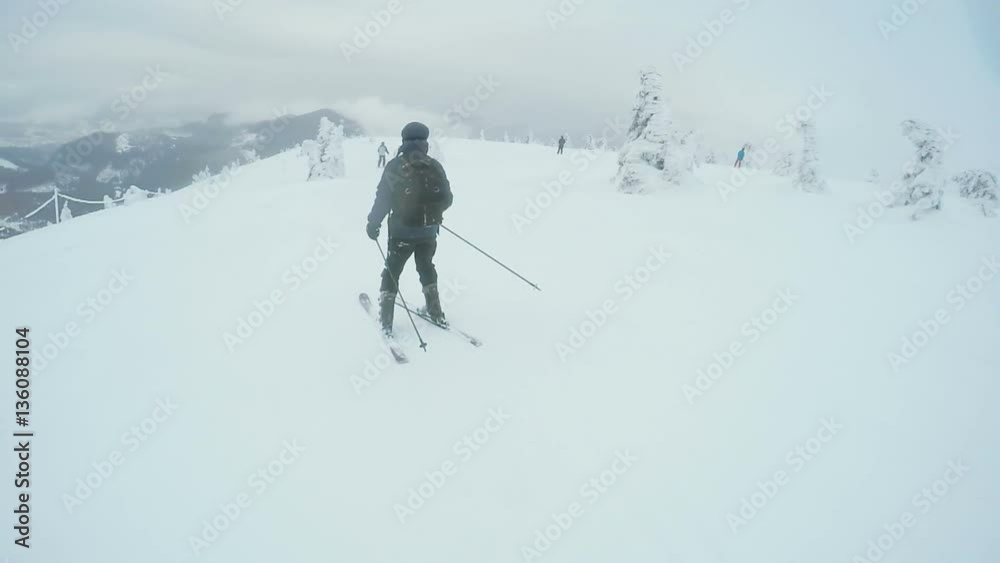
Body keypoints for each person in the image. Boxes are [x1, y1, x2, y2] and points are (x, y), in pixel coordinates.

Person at [366, 122, 454, 336]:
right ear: (425, 142)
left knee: (392, 271)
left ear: (404, 141)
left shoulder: (395, 166)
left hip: (401, 232)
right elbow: (448, 199)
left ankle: (386, 321)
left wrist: (373, 222)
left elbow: (383, 198)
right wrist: (432, 212)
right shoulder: (434, 165)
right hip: (429, 232)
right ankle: (435, 312)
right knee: (426, 267)